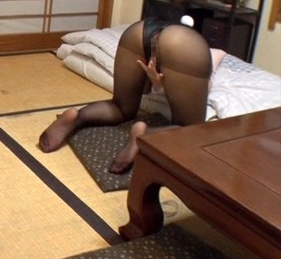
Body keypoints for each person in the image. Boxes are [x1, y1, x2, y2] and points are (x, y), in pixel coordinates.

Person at [38, 17, 224, 174]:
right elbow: (201, 88)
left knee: (121, 107)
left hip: (140, 31)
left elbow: (145, 90)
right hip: (182, 46)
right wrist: (160, 83)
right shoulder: (204, 52)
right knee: (191, 129)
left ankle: (77, 117)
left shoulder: (170, 36)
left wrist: (154, 79)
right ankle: (145, 134)